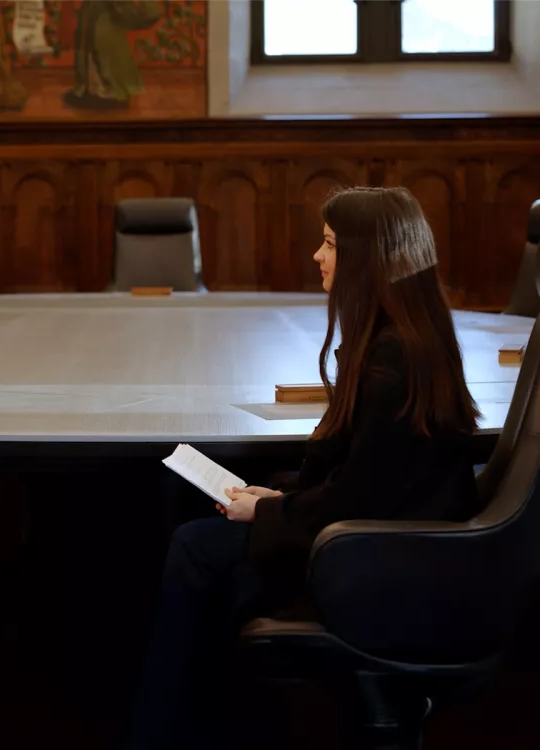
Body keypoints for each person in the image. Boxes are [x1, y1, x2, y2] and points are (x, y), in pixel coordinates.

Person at [127, 186, 485, 749]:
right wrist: (278, 499)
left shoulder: (394, 359)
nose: (318, 256)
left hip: (381, 560)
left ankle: (161, 734)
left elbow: (361, 500)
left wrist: (271, 511)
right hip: (388, 541)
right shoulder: (404, 339)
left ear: (368, 257)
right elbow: (366, 478)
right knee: (216, 543)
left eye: (331, 244)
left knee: (195, 545)